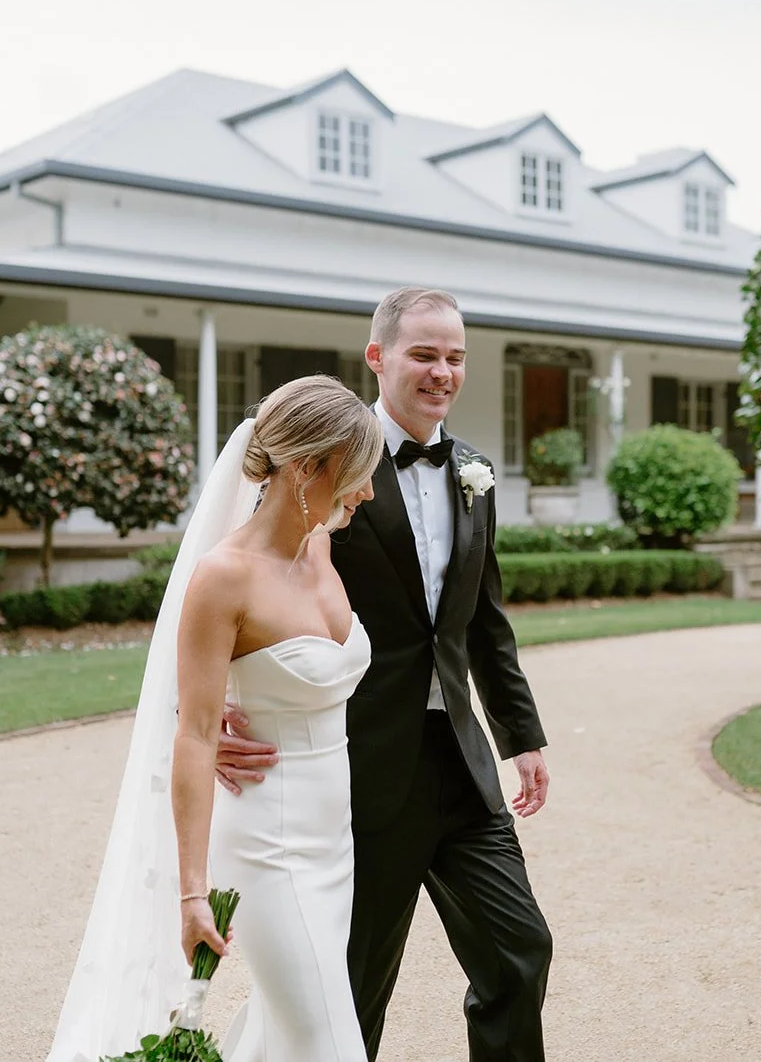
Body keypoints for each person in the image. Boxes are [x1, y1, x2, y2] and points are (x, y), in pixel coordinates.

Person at [218, 288, 554, 1061]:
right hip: (363, 770)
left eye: (456, 356)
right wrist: (198, 724)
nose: (443, 372)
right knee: (354, 986)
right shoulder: (324, 464)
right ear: (378, 357)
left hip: (461, 767)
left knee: (519, 950)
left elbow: (484, 620)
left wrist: (521, 735)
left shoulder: (475, 471)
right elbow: (235, 582)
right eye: (424, 354)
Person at [47, 375, 384, 1062]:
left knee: (280, 1032)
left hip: (333, 840)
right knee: (329, 1044)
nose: (368, 493)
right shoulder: (223, 577)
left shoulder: (318, 545)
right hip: (265, 845)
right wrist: (192, 894)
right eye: (357, 475)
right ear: (305, 469)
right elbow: (196, 734)